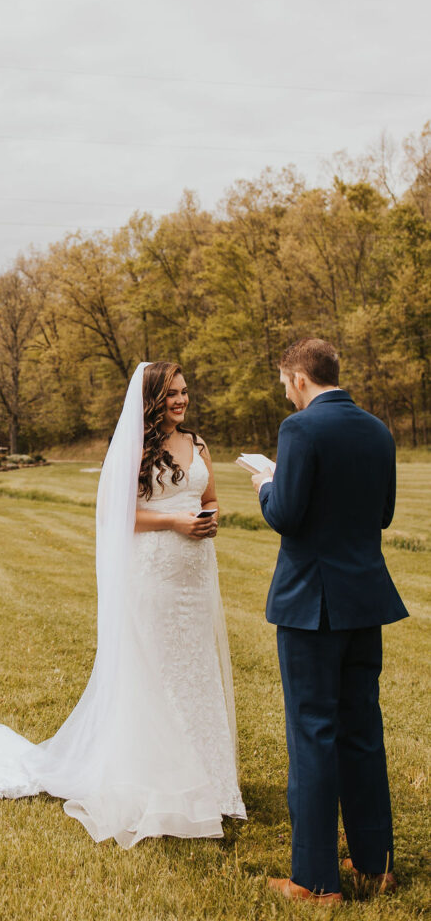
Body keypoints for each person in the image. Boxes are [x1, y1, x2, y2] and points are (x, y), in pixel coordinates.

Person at [0, 361, 245, 847]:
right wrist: (174, 523)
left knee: (194, 670)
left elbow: (209, 496)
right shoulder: (133, 445)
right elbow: (116, 513)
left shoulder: (197, 444)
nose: (181, 400)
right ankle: (155, 782)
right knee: (156, 673)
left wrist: (209, 520)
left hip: (194, 576)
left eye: (185, 392)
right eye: (172, 393)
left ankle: (208, 783)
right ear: (152, 398)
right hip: (153, 575)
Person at [249, 338, 408, 905]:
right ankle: (375, 864)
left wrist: (265, 486)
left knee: (312, 733)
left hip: (311, 604)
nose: (286, 393)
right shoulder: (378, 430)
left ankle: (315, 881)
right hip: (366, 600)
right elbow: (384, 513)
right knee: (362, 731)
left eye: (284, 383)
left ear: (297, 377)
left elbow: (287, 514)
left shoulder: (300, 430)